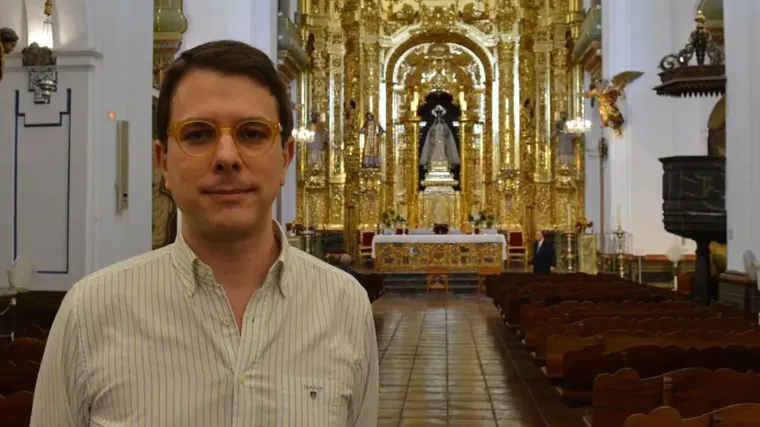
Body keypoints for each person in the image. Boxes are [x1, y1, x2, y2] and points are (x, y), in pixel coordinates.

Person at [31, 40, 379, 427]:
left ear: (285, 157)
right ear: (163, 161)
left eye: (252, 133)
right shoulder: (90, 312)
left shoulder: (344, 306)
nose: (227, 157)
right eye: (198, 134)